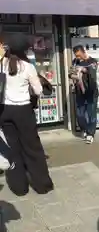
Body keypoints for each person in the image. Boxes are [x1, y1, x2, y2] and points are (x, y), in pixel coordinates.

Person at [0, 35, 54, 196]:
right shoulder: (27, 67)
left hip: (4, 110)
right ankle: (42, 185)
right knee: (32, 148)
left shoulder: (2, 64)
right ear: (24, 49)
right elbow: (38, 90)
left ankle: (19, 187)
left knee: (12, 148)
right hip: (23, 110)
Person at [70, 45, 98, 144]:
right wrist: (73, 72)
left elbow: (92, 74)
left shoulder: (92, 61)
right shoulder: (75, 62)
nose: (77, 57)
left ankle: (90, 134)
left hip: (91, 91)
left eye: (79, 55)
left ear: (83, 52)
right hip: (79, 91)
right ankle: (85, 129)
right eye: (76, 56)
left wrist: (84, 70)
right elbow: (71, 73)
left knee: (91, 114)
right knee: (80, 114)